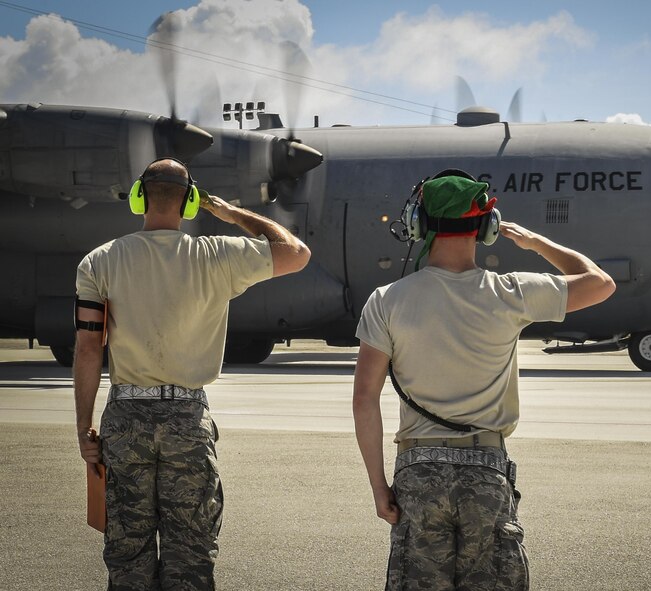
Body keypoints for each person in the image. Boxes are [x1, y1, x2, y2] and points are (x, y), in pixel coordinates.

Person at [352, 170, 616, 590]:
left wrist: (379, 485)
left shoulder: (386, 300)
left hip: (418, 476)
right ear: (487, 227)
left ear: (419, 225)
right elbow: (600, 284)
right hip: (486, 474)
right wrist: (534, 242)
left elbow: (364, 399)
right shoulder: (512, 293)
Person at [74, 157, 310, 590]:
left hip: (126, 419)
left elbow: (89, 346)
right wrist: (233, 214)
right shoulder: (217, 254)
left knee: (128, 556)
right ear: (190, 202)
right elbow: (296, 253)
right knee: (191, 556)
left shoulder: (100, 262)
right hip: (187, 419)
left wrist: (83, 427)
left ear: (139, 197)